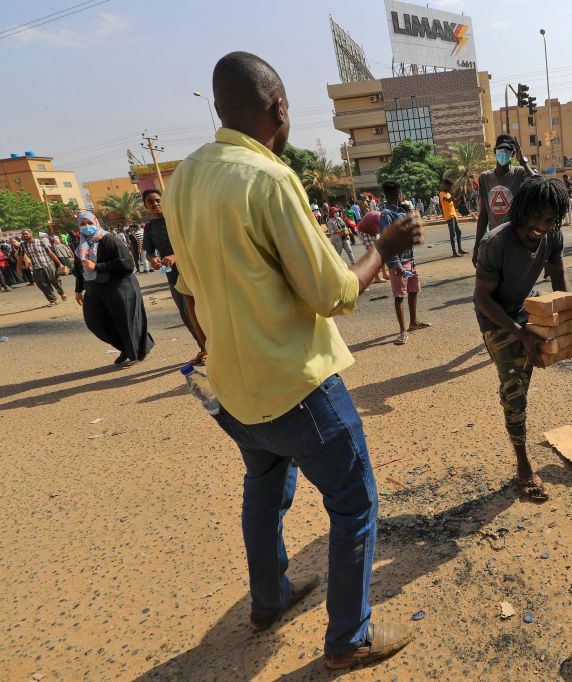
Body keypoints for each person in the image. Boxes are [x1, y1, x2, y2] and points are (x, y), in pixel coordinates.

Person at [163, 51, 422, 670]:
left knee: (264, 487)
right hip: (296, 386)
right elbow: (332, 293)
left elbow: (189, 290)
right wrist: (383, 247)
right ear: (279, 109)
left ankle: (270, 597)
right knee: (354, 502)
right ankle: (348, 639)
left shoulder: (185, 179)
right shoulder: (270, 180)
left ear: (221, 108)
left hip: (232, 386)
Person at [474, 176, 572, 500]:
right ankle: (523, 466)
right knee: (515, 387)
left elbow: (558, 278)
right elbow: (482, 300)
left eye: (551, 219)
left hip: (529, 307)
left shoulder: (552, 235)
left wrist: (570, 317)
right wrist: (520, 334)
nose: (544, 225)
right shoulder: (495, 243)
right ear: (523, 211)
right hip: (497, 319)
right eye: (538, 218)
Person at [72, 212, 154, 366]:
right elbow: (79, 270)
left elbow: (127, 264)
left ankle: (135, 352)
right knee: (96, 321)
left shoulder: (109, 239)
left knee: (125, 321)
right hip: (95, 288)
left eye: (89, 222)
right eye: (82, 224)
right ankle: (124, 347)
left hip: (119, 286)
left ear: (96, 222)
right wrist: (78, 290)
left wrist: (97, 266)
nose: (86, 227)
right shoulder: (81, 247)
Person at [142, 188, 207, 366]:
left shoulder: (177, 220)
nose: (155, 204)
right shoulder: (149, 227)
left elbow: (194, 242)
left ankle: (215, 348)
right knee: (187, 315)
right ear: (146, 205)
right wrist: (152, 259)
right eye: (150, 202)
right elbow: (149, 251)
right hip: (172, 275)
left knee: (202, 311)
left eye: (157, 200)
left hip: (193, 271)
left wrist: (176, 256)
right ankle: (204, 348)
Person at [473, 134, 537, 265]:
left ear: (513, 154)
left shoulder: (519, 173)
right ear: (495, 152)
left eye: (508, 151)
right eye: (500, 150)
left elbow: (538, 183)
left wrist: (523, 162)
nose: (503, 153)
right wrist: (477, 247)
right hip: (495, 240)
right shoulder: (485, 178)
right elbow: (483, 216)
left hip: (517, 240)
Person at [379, 180, 430, 345]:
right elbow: (387, 242)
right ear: (398, 194)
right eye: (402, 194)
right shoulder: (386, 214)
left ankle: (413, 322)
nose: (403, 196)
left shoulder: (402, 211)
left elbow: (415, 230)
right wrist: (396, 264)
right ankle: (402, 330)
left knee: (413, 290)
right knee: (399, 295)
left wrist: (411, 213)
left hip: (410, 259)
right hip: (399, 262)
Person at [17, 229, 66, 306]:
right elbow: (20, 257)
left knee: (55, 282)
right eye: (23, 235)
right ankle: (52, 300)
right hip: (36, 268)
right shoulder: (22, 245)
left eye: (26, 234)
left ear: (31, 233)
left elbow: (50, 253)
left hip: (48, 265)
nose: (25, 235)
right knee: (43, 285)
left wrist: (60, 263)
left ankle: (61, 293)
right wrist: (18, 268)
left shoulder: (41, 242)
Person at [355, 210, 388, 283]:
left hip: (372, 231)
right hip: (364, 232)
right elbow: (384, 235)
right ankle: (376, 277)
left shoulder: (383, 217)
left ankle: (385, 274)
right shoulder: (378, 219)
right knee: (374, 255)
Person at [440, 178, 467, 257]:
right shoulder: (442, 193)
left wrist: (459, 193)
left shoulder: (448, 193)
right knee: (453, 234)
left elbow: (455, 201)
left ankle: (459, 249)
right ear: (445, 185)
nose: (450, 188)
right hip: (449, 216)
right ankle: (454, 252)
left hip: (453, 215)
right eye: (449, 186)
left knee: (458, 232)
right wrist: (456, 193)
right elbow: (449, 200)